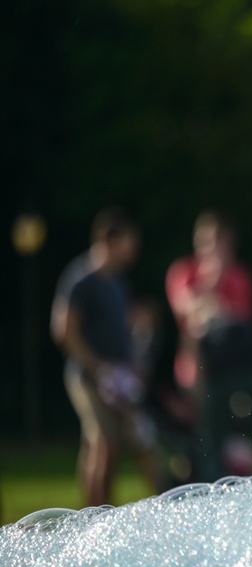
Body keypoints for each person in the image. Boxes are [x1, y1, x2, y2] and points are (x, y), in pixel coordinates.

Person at [51, 207, 159, 506]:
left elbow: (120, 330)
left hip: (116, 378)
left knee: (100, 447)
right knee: (105, 442)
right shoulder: (81, 278)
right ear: (109, 239)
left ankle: (95, 513)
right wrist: (99, 368)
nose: (133, 248)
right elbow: (63, 329)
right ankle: (96, 516)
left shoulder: (118, 282)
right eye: (128, 240)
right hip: (88, 377)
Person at [165, 210, 252, 480]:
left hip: (235, 367)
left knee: (251, 425)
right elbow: (186, 311)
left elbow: (238, 322)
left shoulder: (240, 276)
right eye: (207, 242)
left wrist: (207, 305)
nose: (213, 249)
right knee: (203, 437)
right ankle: (199, 480)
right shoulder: (183, 271)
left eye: (219, 242)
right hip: (197, 369)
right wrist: (212, 281)